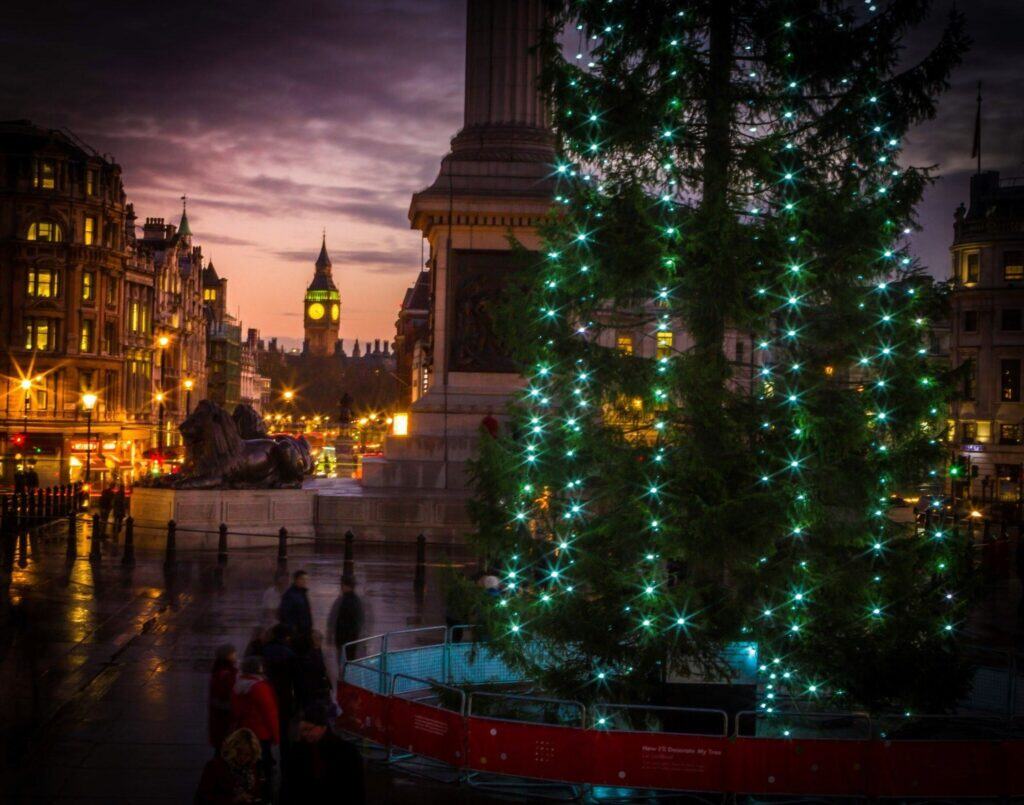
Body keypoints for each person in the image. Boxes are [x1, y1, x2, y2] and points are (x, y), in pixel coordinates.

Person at [281, 703, 364, 803]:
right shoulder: (298, 750)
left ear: (323, 726)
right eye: (302, 731)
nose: (304, 734)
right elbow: (290, 784)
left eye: (308, 729)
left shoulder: (346, 752)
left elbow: (355, 788)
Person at [231, 656, 279, 785]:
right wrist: (276, 735)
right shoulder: (260, 688)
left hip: (244, 731)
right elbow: (270, 714)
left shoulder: (238, 686)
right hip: (261, 733)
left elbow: (235, 711)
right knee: (263, 765)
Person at [194, 727, 265, 804]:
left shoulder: (252, 769)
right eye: (239, 752)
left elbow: (257, 794)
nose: (242, 758)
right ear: (233, 749)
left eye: (247, 755)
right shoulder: (216, 767)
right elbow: (202, 798)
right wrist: (233, 800)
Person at [327, 574, 364, 663]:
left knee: (345, 663)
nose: (341, 587)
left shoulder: (345, 600)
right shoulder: (355, 601)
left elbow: (334, 617)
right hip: (349, 640)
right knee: (347, 662)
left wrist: (331, 633)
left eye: (342, 585)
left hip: (345, 639)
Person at [208, 644, 238, 753]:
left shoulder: (218, 671)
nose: (236, 655)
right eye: (233, 653)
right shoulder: (226, 673)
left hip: (219, 717)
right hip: (226, 717)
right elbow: (226, 693)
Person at [297, 630, 331, 709]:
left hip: (312, 689)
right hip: (316, 690)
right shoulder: (312, 655)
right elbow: (320, 670)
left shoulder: (312, 653)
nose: (321, 641)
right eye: (319, 639)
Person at [278, 570, 313, 644]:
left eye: (306, 579)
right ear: (296, 580)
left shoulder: (302, 593)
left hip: (304, 631)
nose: (305, 582)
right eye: (302, 579)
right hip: (297, 633)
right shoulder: (291, 595)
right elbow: (284, 614)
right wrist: (292, 630)